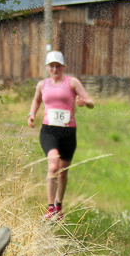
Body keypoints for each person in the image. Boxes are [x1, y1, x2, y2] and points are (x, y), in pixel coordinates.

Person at [27, 51, 95, 221]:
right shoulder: (42, 85)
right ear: (47, 68)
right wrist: (32, 114)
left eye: (58, 66)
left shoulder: (72, 82)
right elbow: (36, 101)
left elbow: (91, 102)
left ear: (63, 67)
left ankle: (59, 206)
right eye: (52, 66)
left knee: (63, 172)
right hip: (49, 130)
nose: (55, 69)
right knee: (53, 167)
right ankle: (50, 207)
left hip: (68, 131)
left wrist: (84, 102)